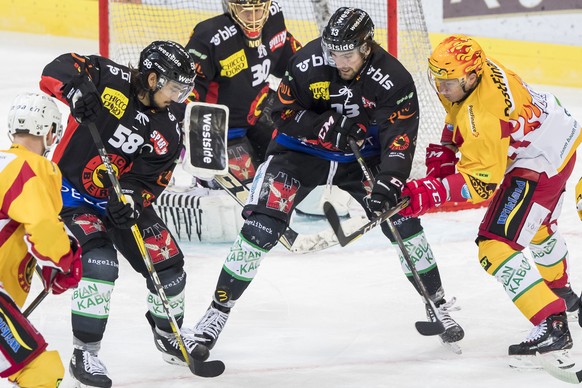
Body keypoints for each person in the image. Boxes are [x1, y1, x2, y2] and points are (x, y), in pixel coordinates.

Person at [189, 7, 464, 355]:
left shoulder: (394, 79)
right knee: (260, 227)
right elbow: (280, 112)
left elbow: (400, 138)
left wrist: (389, 182)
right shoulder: (307, 63)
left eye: (346, 54)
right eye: (332, 52)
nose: (338, 61)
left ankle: (436, 302)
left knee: (403, 220)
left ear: (366, 47)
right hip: (300, 151)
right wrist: (318, 125)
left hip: (359, 157)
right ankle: (216, 312)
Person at [400, 34, 582, 365]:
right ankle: (564, 295)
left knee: (494, 248)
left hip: (541, 161)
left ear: (470, 76)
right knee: (537, 228)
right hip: (557, 136)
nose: (441, 89)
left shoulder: (483, 114)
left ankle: (552, 323)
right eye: (436, 80)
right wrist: (447, 146)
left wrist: (429, 192)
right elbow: (459, 112)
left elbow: (481, 186)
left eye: (447, 83)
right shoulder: (472, 75)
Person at [39, 41, 206, 387]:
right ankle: (85, 352)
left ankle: (168, 332)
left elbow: (154, 176)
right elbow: (57, 68)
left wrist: (133, 196)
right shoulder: (108, 77)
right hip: (70, 195)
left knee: (169, 263)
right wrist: (75, 89)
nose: (177, 97)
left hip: (119, 201)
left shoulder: (171, 124)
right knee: (100, 262)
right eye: (174, 88)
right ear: (152, 78)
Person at [0, 93, 82, 387]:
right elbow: (44, 226)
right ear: (50, 132)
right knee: (42, 370)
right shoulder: (33, 167)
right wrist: (65, 259)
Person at [184, 0, 301, 185]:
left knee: (293, 167)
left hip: (258, 112)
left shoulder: (274, 18)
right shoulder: (208, 37)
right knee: (244, 190)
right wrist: (194, 140)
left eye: (258, 10)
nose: (252, 17)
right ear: (230, 6)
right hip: (220, 130)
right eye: (244, 10)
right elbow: (186, 91)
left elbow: (292, 63)